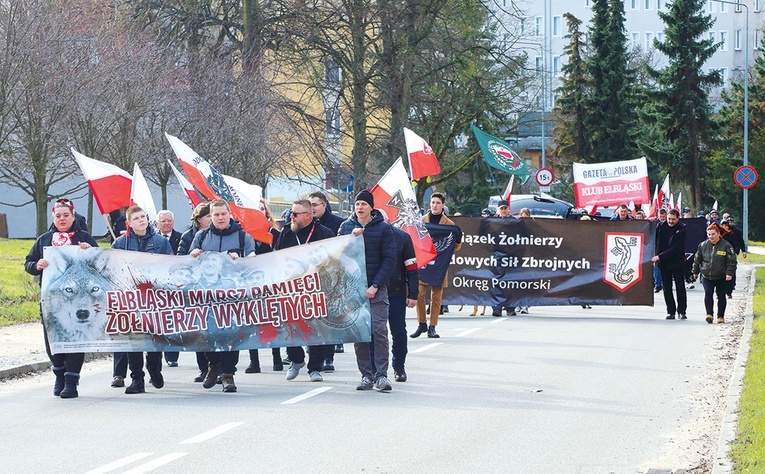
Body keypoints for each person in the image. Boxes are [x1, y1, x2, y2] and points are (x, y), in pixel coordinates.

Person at [24, 199, 99, 399]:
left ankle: (72, 382)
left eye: (66, 215)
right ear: (53, 218)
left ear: (73, 216)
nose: (62, 219)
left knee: (76, 339)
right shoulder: (44, 240)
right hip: (51, 300)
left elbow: (99, 264)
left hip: (78, 301)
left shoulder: (84, 238)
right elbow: (29, 263)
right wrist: (36, 265)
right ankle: (59, 374)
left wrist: (89, 252)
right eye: (58, 216)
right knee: (53, 340)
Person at [189, 199, 256, 393]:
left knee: (231, 334)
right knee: (207, 333)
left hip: (233, 296)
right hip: (207, 296)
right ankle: (213, 365)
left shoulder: (243, 237)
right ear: (210, 216)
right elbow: (189, 264)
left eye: (223, 214)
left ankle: (228, 374)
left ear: (229, 214)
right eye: (215, 215)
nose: (219, 218)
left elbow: (253, 263)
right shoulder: (201, 236)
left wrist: (240, 260)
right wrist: (193, 254)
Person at [338, 190, 397, 392]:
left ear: (371, 207)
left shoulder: (383, 229)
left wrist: (375, 285)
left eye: (364, 204)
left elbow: (390, 260)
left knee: (379, 331)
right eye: (357, 204)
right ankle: (366, 375)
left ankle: (381, 375)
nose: (360, 208)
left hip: (376, 290)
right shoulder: (346, 227)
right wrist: (350, 239)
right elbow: (336, 255)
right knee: (360, 333)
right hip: (353, 291)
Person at [112, 206, 174, 394]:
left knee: (154, 337)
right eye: (137, 218)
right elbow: (111, 268)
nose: (141, 220)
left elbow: (171, 265)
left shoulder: (160, 241)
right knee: (134, 340)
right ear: (129, 223)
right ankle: (136, 378)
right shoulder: (120, 243)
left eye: (143, 217)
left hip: (154, 299)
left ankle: (154, 369)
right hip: (130, 300)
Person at [272, 199, 335, 382]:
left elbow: (333, 258)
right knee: (290, 326)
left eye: (295, 214)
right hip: (292, 288)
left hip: (317, 288)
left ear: (308, 215)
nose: (291, 217)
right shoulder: (286, 232)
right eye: (291, 213)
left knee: (317, 329)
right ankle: (296, 359)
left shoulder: (324, 233)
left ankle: (315, 368)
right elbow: (277, 257)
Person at [411, 192, 461, 337]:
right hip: (424, 264)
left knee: (436, 298)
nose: (435, 205)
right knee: (419, 294)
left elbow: (455, 247)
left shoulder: (449, 224)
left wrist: (458, 240)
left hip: (439, 265)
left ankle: (433, 326)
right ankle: (422, 324)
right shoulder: (422, 221)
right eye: (433, 202)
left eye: (438, 203)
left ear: (443, 205)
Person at [245, 198, 284, 374]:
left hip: (270, 283)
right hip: (249, 283)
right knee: (251, 321)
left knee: (272, 319)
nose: (259, 212)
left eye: (261, 209)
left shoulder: (274, 234)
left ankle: (277, 357)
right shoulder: (245, 235)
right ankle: (254, 361)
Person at [176, 202, 214, 383]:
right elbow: (180, 260)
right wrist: (190, 257)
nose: (212, 218)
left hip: (215, 289)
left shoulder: (218, 234)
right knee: (199, 330)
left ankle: (219, 367)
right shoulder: (188, 236)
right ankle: (204, 368)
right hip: (196, 289)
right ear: (199, 220)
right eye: (208, 216)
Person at [380, 210, 418, 382]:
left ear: (389, 220)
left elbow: (412, 267)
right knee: (376, 333)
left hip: (396, 292)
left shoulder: (402, 237)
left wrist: (413, 294)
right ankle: (376, 369)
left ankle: (399, 366)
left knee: (398, 332)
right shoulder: (368, 236)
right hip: (374, 293)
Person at [308, 190, 346, 366]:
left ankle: (328, 357)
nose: (312, 208)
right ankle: (312, 353)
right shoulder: (304, 224)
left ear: (324, 205)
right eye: (310, 205)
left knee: (329, 317)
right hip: (309, 277)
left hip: (329, 276)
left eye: (315, 204)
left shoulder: (337, 224)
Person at [692, 222, 737, 324]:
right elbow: (697, 259)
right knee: (708, 293)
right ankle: (709, 314)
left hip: (721, 276)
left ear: (718, 233)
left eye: (713, 234)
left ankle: (720, 316)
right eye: (709, 234)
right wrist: (695, 272)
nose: (711, 236)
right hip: (707, 276)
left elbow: (731, 261)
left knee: (721, 295)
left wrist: (729, 273)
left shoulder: (726, 246)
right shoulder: (703, 245)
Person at [156, 210, 183, 367]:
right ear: (158, 223)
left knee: (173, 319)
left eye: (169, 221)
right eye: (163, 221)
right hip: (158, 285)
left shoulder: (181, 237)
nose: (166, 224)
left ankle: (172, 355)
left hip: (175, 284)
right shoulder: (154, 239)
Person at [651, 209, 687, 320]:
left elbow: (676, 248)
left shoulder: (682, 229)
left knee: (680, 287)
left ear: (678, 218)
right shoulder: (660, 227)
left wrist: (659, 256)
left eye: (673, 219)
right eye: (669, 219)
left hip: (677, 262)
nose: (670, 221)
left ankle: (682, 311)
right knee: (667, 288)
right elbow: (651, 237)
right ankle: (670, 311)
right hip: (663, 263)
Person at [490, 199, 518, 317]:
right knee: (497, 282)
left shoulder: (515, 222)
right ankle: (497, 308)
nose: (503, 210)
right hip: (497, 257)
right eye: (501, 208)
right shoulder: (493, 222)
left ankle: (510, 307)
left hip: (511, 256)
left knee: (510, 282)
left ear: (508, 209)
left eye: (505, 208)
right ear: (498, 210)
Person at [720, 218, 747, 298]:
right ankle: (720, 291)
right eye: (723, 225)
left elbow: (737, 244)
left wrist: (736, 253)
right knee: (720, 275)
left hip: (730, 256)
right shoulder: (718, 235)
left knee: (730, 273)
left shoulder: (732, 234)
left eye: (726, 225)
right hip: (720, 257)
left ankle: (729, 291)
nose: (724, 227)